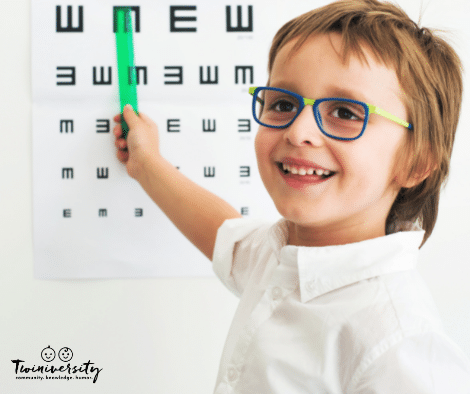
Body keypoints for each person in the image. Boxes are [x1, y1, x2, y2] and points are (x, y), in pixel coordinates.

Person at [113, 0, 470, 392]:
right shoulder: (280, 253)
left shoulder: (400, 343)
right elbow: (221, 231)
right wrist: (146, 163)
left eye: (346, 113)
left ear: (417, 163)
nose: (299, 131)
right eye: (283, 104)